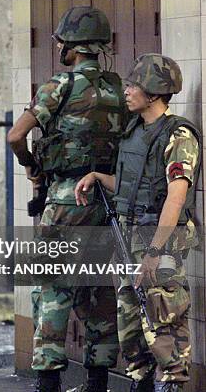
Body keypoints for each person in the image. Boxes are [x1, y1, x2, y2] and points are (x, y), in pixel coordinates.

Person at [7, 6, 127, 392]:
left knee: (53, 284)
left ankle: (48, 378)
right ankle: (98, 378)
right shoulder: (116, 89)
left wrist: (31, 166)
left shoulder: (58, 86)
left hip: (65, 198)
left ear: (71, 46)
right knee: (97, 288)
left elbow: (14, 137)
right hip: (104, 201)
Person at [75, 54, 199, 392]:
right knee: (131, 330)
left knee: (163, 326)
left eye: (134, 85)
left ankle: (171, 385)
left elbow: (175, 197)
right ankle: (139, 382)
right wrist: (100, 177)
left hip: (156, 243)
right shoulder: (135, 132)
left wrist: (155, 251)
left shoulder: (179, 135)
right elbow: (136, 187)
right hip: (127, 239)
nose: (127, 91)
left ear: (155, 92)